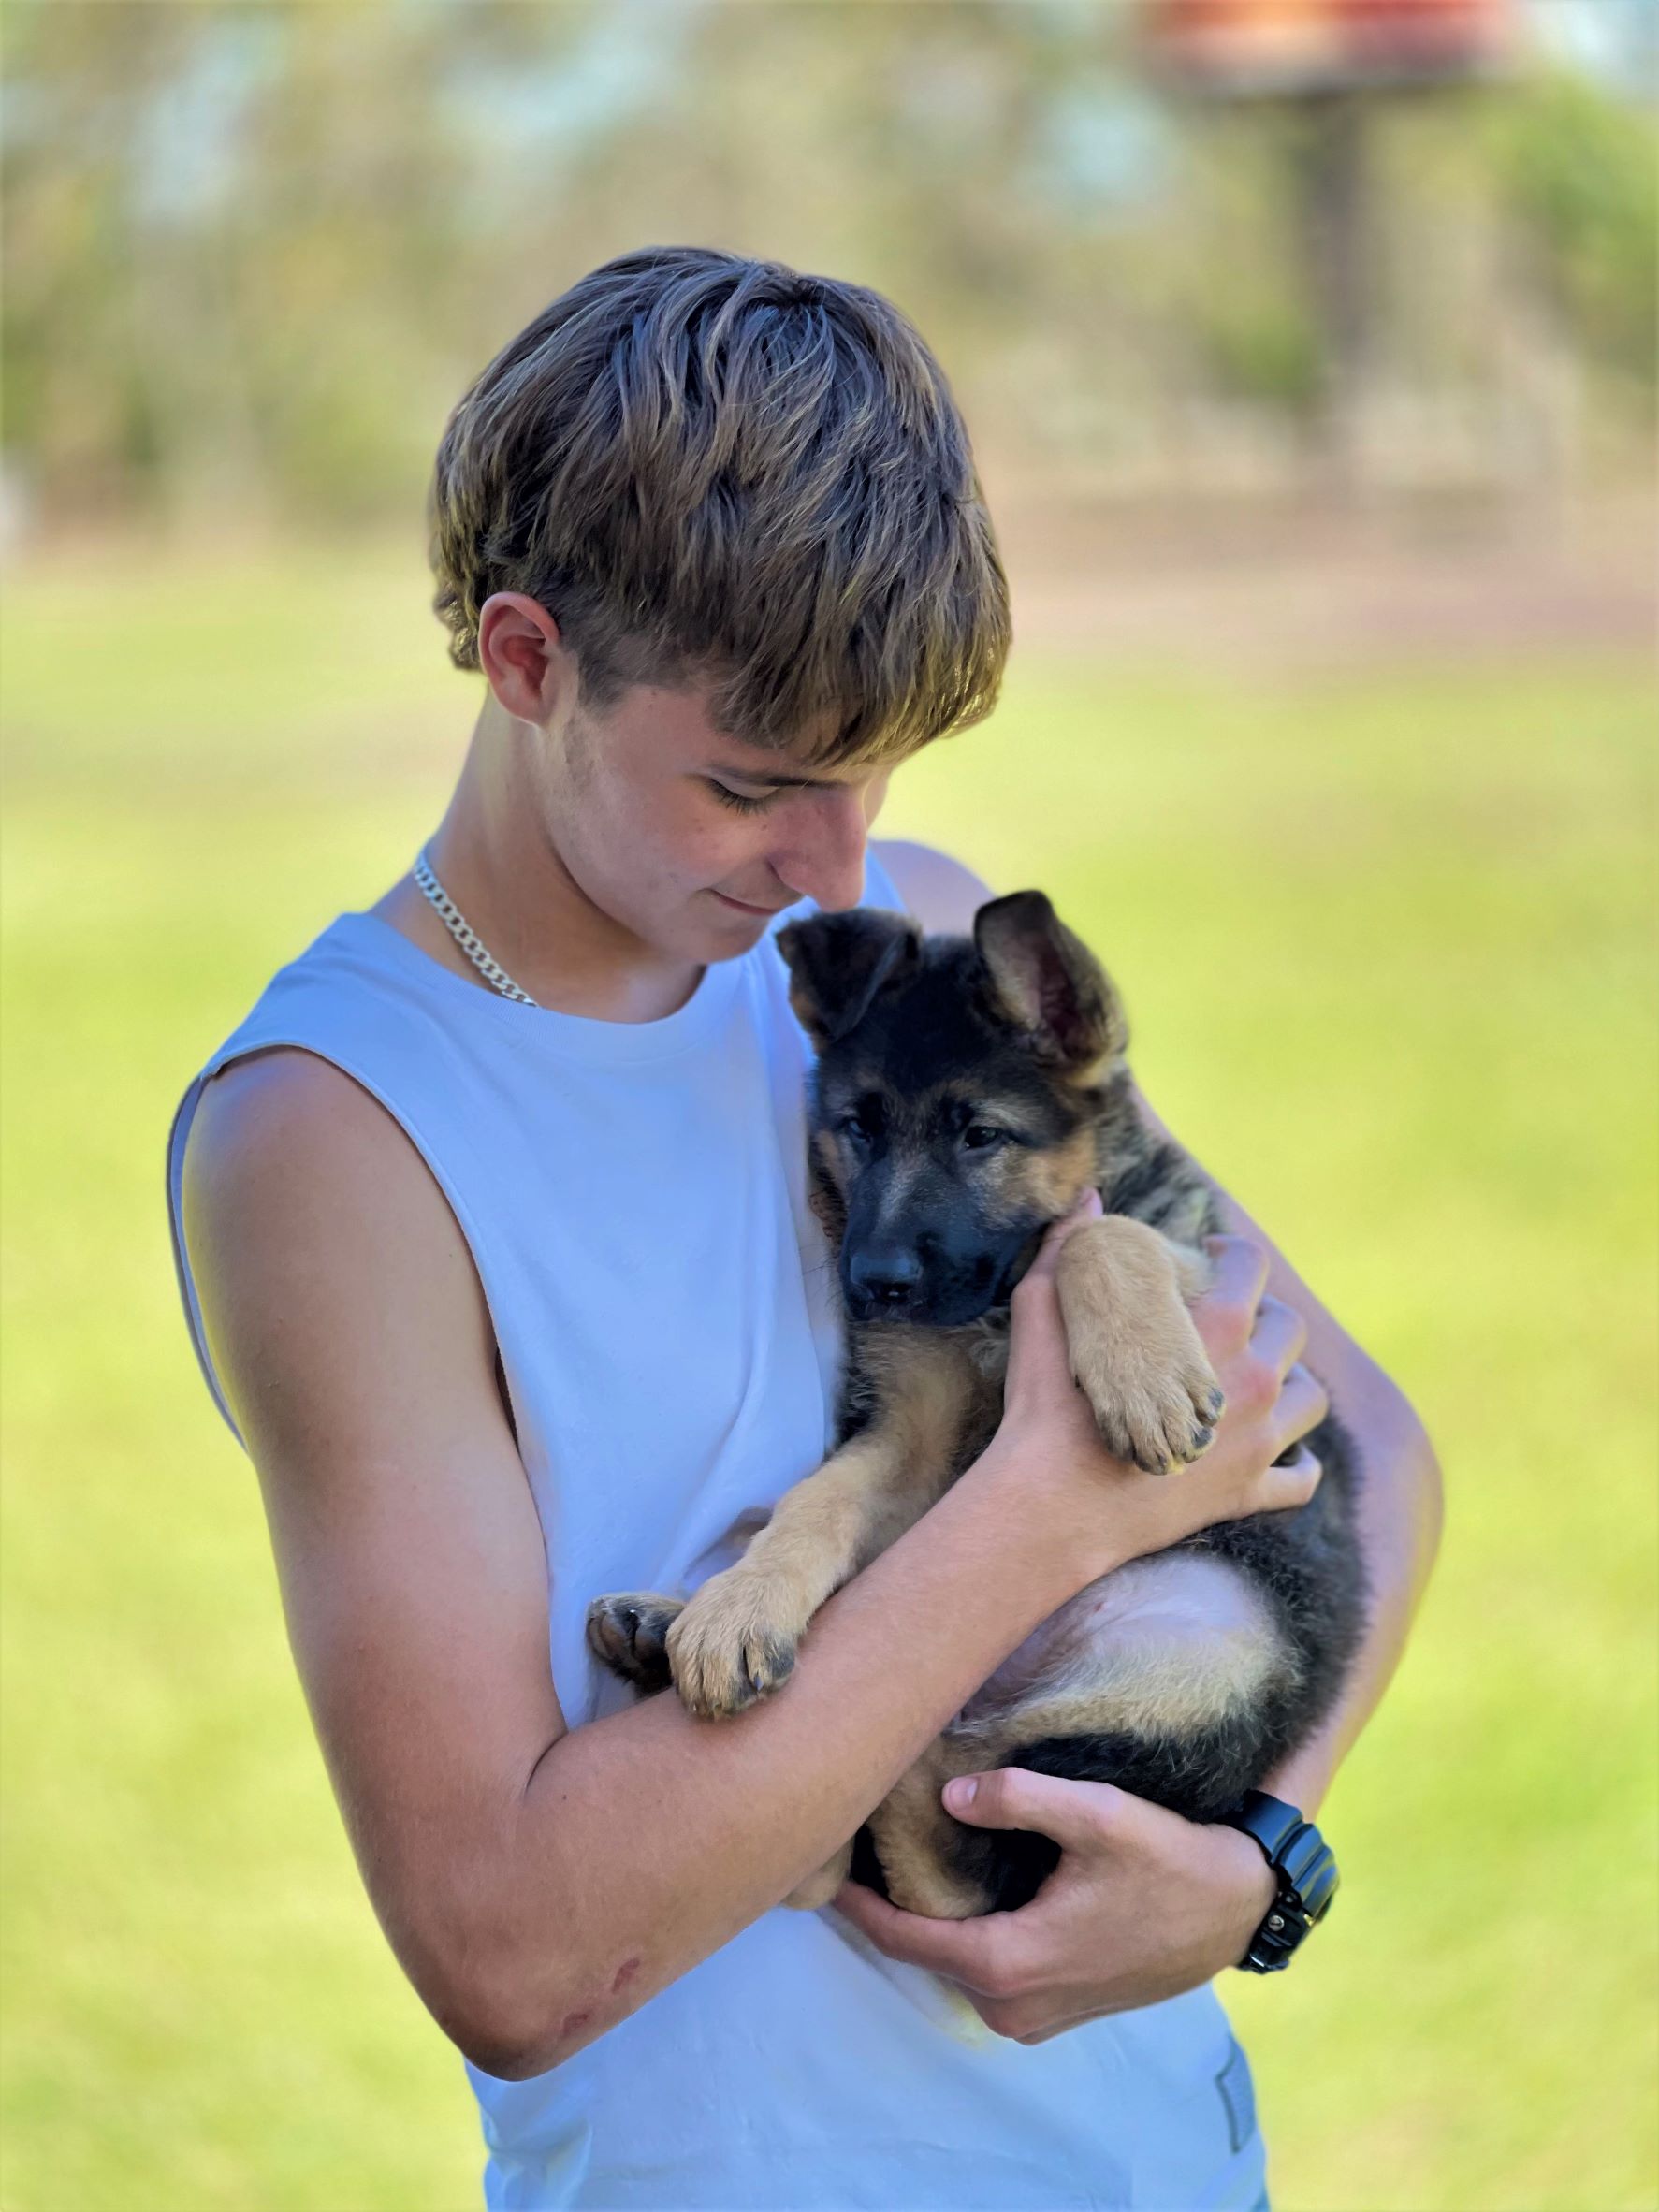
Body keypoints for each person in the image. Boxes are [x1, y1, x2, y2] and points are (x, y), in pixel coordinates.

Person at [166, 246, 1441, 2211]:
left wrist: (1252, 1857)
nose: (826, 871)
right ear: (524, 662)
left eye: (872, 778)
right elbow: (513, 1957)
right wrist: (1035, 1513)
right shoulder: (340, 1135)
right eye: (752, 784)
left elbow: (1366, 1438)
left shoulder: (887, 939)